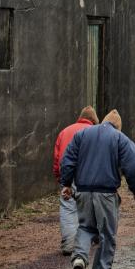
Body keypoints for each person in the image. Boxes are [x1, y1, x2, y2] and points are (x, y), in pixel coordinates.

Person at [60, 109, 135, 269]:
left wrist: (66, 183)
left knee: (85, 227)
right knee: (107, 234)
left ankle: (80, 259)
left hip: (82, 190)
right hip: (105, 193)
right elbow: (132, 163)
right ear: (118, 126)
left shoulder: (82, 134)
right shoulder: (119, 138)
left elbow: (68, 158)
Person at [52, 106, 99, 255]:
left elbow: (57, 158)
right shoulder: (94, 133)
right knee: (90, 206)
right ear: (93, 120)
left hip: (68, 175)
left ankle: (69, 245)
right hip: (87, 176)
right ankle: (91, 237)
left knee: (68, 208)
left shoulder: (64, 131)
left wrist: (61, 178)